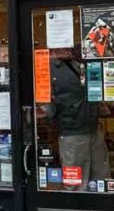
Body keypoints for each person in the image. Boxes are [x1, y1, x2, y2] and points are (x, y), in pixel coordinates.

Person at [46, 52, 110, 190]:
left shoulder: (82, 63)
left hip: (91, 128)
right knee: (76, 183)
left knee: (100, 180)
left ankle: (101, 208)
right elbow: (46, 102)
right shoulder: (51, 68)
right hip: (72, 131)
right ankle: (75, 210)